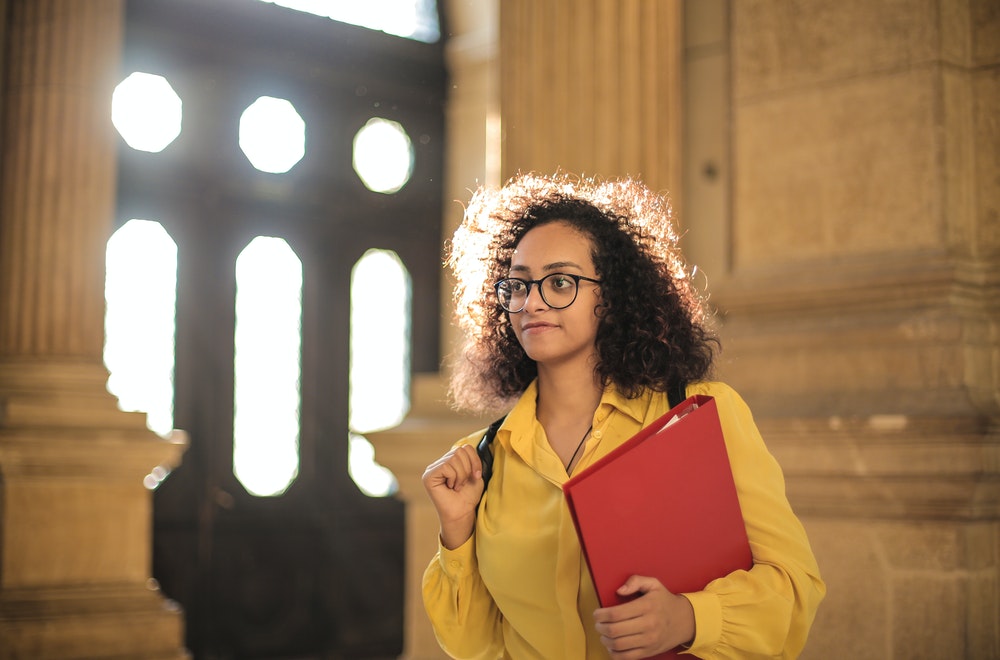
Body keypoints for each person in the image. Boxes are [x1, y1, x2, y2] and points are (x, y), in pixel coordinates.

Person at [421, 172, 825, 659]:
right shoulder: (485, 460)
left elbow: (794, 591)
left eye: (560, 282)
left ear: (609, 297)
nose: (532, 303)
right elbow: (475, 646)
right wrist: (458, 533)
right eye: (519, 285)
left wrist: (689, 618)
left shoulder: (698, 416)